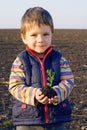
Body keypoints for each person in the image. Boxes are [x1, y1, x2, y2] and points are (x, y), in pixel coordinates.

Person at [9, 7, 74, 130]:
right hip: (28, 120)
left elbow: (68, 81)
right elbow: (15, 86)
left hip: (56, 118)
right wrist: (34, 94)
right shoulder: (21, 60)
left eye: (45, 34)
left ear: (51, 34)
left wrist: (57, 93)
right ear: (24, 37)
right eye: (34, 35)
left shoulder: (59, 59)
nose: (40, 40)